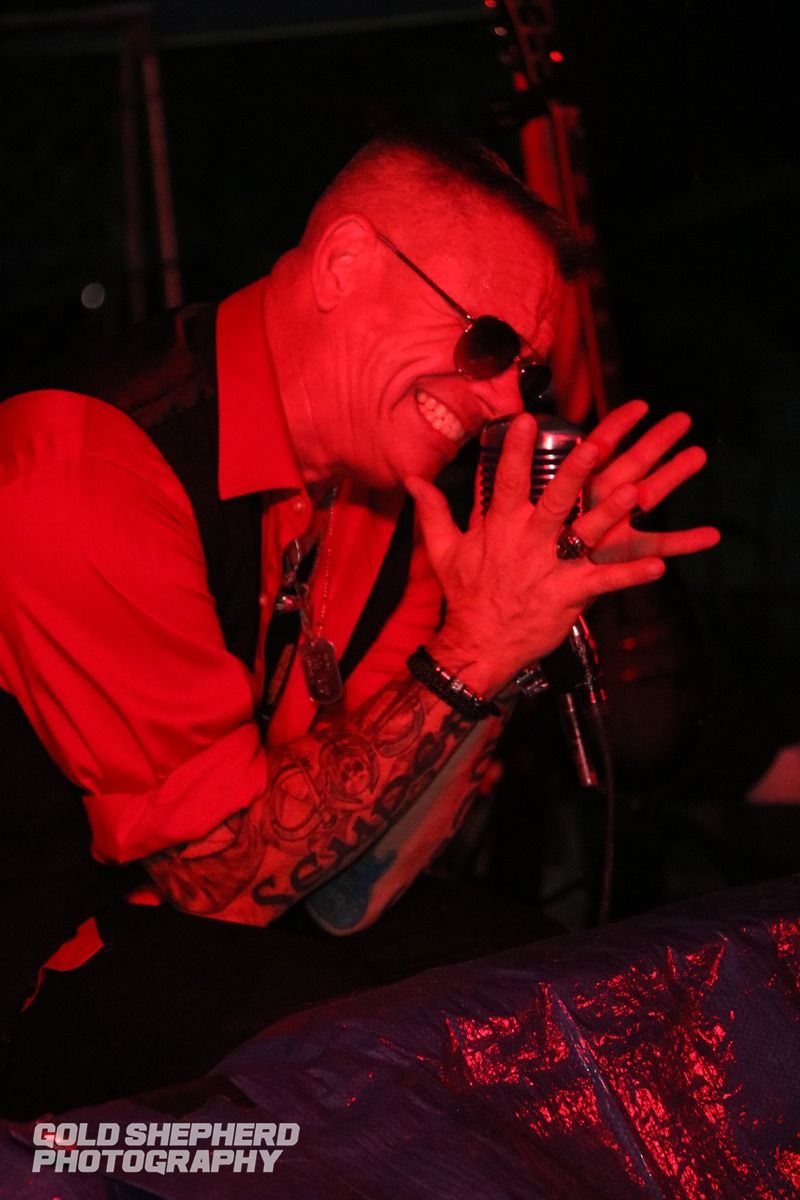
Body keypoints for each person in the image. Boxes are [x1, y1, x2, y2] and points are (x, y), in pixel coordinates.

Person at [0, 129, 719, 1116]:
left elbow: (347, 880)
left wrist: (512, 638)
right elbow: (219, 885)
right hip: (33, 958)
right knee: (343, 1055)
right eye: (487, 343)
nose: (504, 401)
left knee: (545, 990)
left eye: (525, 374)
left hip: (213, 924)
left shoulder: (385, 491)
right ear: (344, 264)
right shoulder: (90, 462)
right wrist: (477, 649)